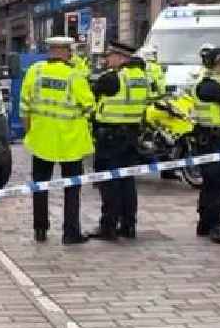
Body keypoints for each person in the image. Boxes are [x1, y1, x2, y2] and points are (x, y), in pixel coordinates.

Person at [19, 36, 95, 245]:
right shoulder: (74, 76)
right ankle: (71, 233)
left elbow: (24, 107)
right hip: (70, 143)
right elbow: (90, 106)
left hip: (41, 140)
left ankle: (40, 229)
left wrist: (30, 133)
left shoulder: (35, 72)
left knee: (40, 186)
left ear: (51, 51)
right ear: (66, 51)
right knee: (72, 188)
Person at [89, 40, 149, 241]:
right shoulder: (141, 77)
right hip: (131, 136)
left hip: (111, 138)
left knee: (109, 183)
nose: (107, 60)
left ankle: (108, 226)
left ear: (121, 57)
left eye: (110, 56)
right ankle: (129, 225)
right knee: (127, 182)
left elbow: (92, 97)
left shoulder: (113, 79)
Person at [192, 47, 220, 244]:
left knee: (212, 184)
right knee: (218, 184)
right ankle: (214, 225)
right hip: (212, 140)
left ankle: (205, 223)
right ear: (214, 64)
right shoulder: (209, 85)